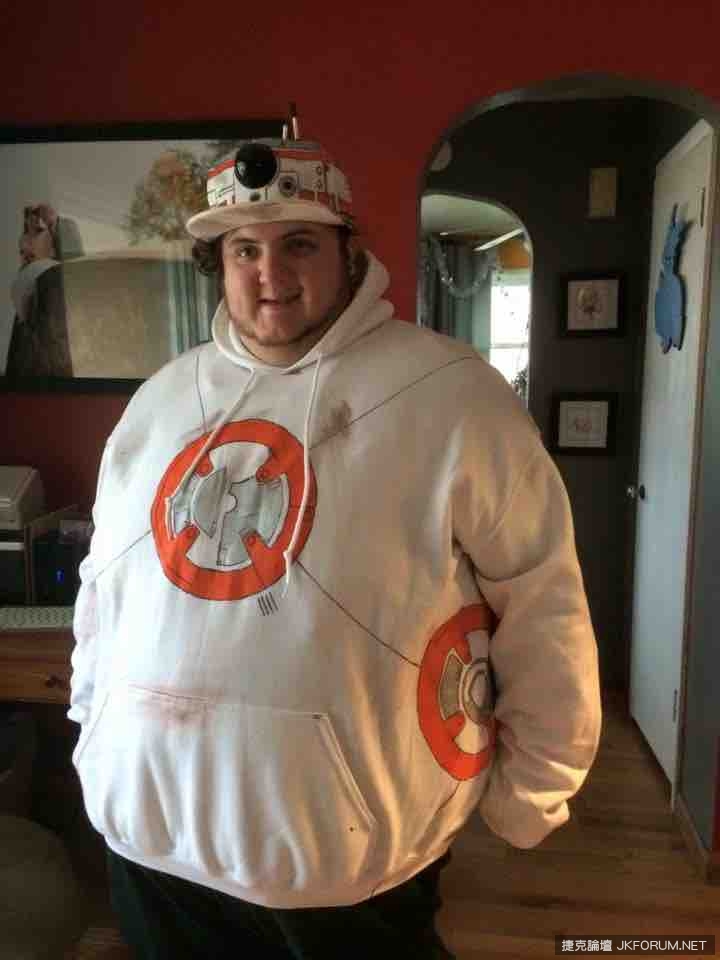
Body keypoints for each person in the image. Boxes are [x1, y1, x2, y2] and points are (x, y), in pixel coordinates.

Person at [68, 131, 602, 959]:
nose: (270, 275)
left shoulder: (455, 397)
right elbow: (103, 589)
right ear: (219, 265)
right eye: (244, 250)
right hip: (149, 843)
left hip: (345, 864)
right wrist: (89, 719)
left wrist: (534, 791)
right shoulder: (159, 402)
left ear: (350, 252)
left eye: (299, 244)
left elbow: (542, 598)